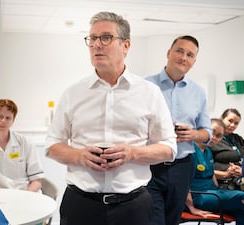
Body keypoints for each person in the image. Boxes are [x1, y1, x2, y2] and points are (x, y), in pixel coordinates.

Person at [45, 11, 177, 225]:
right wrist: (80, 156)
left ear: (126, 45)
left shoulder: (149, 93)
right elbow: (51, 145)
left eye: (106, 37)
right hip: (81, 205)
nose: (97, 44)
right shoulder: (73, 93)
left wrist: (132, 153)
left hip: (133, 208)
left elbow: (169, 148)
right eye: (92, 38)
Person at [146, 35, 212, 225]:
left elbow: (207, 132)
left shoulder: (198, 92)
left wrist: (194, 134)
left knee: (173, 220)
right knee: (153, 220)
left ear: (194, 61)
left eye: (190, 55)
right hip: (150, 165)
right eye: (180, 51)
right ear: (169, 53)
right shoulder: (146, 86)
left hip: (182, 167)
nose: (184, 57)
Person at [185, 118, 244, 225]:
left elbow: (211, 174)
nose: (214, 137)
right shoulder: (190, 151)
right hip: (198, 196)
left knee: (243, 210)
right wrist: (191, 207)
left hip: (213, 193)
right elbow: (183, 183)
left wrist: (221, 184)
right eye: (212, 132)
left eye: (219, 136)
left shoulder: (208, 151)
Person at [0, 99, 44, 191]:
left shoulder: (25, 142)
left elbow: (36, 180)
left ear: (13, 121)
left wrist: (25, 196)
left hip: (24, 192)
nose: (3, 121)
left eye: (8, 118)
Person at [210, 108, 244, 191]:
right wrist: (227, 173)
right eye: (230, 121)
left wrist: (243, 170)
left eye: (236, 123)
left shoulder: (238, 139)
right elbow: (206, 167)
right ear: (221, 119)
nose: (232, 125)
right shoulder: (212, 140)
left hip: (242, 176)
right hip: (223, 181)